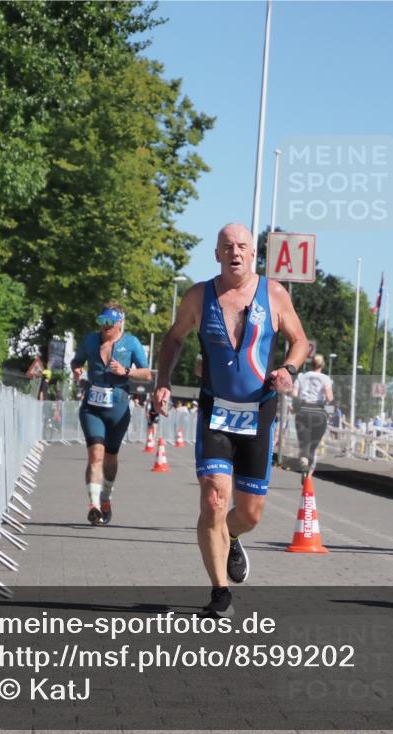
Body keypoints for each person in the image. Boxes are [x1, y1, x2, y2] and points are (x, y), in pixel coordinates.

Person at [154, 223, 309, 617]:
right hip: (215, 410)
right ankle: (220, 593)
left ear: (252, 253)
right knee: (212, 499)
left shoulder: (273, 293)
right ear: (217, 254)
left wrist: (288, 370)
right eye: (227, 247)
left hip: (259, 411)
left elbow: (300, 341)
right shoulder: (198, 296)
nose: (235, 252)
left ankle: (233, 536)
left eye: (242, 246)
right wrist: (164, 382)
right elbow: (173, 338)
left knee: (251, 512)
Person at [71, 303, 152, 526]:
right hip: (92, 407)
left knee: (110, 458)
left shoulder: (131, 343)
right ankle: (94, 505)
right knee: (95, 455)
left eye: (108, 322)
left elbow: (146, 374)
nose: (104, 326)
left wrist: (126, 371)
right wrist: (77, 369)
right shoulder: (89, 340)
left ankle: (106, 498)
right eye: (101, 321)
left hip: (118, 409)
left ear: (119, 323)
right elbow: (76, 361)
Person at [293, 354, 335, 482]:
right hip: (318, 413)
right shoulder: (326, 378)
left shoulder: (301, 377)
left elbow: (294, 394)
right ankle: (308, 476)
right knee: (313, 446)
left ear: (311, 364)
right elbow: (329, 397)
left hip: (303, 412)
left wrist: (296, 406)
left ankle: (303, 463)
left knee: (304, 445)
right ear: (322, 365)